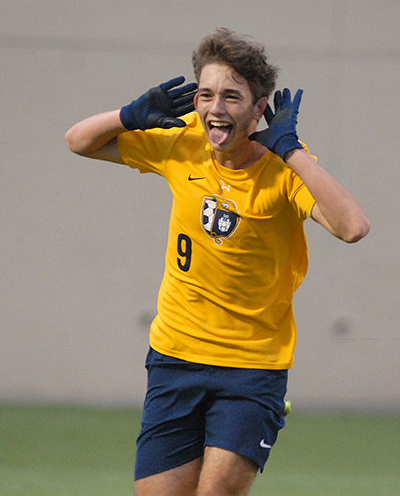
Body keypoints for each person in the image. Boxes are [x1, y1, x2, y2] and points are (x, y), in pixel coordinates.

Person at [65, 28, 370, 496]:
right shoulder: (181, 141)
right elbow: (78, 141)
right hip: (175, 358)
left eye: (231, 96)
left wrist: (290, 149)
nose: (215, 107)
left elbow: (352, 226)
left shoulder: (286, 166)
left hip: (251, 367)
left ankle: (262, 412)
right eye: (206, 94)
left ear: (259, 107)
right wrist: (126, 116)